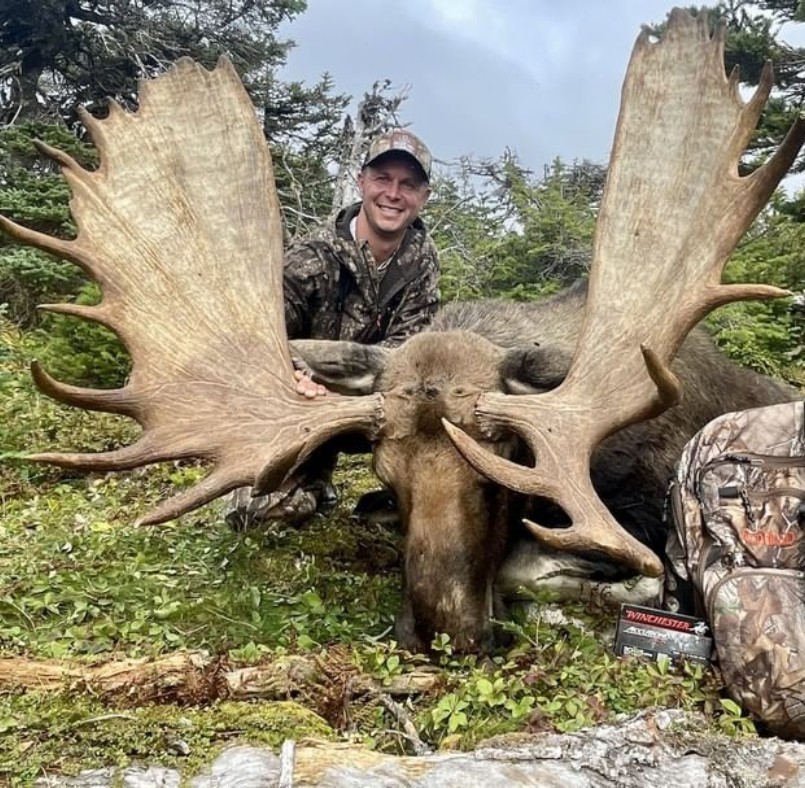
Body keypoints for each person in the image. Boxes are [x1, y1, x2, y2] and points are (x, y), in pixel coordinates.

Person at [225, 128, 440, 529]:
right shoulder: (312, 255)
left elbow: (412, 352)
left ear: (423, 198)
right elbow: (259, 338)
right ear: (361, 183)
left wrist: (351, 392)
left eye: (408, 184)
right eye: (382, 179)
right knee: (256, 513)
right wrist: (290, 375)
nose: (393, 193)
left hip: (378, 407)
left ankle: (406, 494)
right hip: (303, 405)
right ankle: (313, 480)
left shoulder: (422, 265)